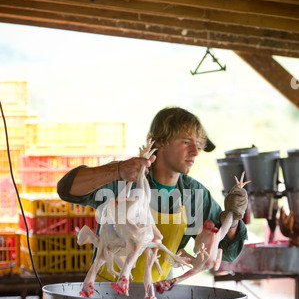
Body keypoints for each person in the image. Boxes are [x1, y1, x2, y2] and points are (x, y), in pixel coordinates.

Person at [57, 106, 248, 283]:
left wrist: (231, 220)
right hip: (105, 295)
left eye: (198, 144)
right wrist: (116, 170)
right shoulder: (125, 179)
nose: (196, 152)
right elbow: (67, 190)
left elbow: (228, 252)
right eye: (186, 142)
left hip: (156, 297)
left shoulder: (193, 195)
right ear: (161, 142)